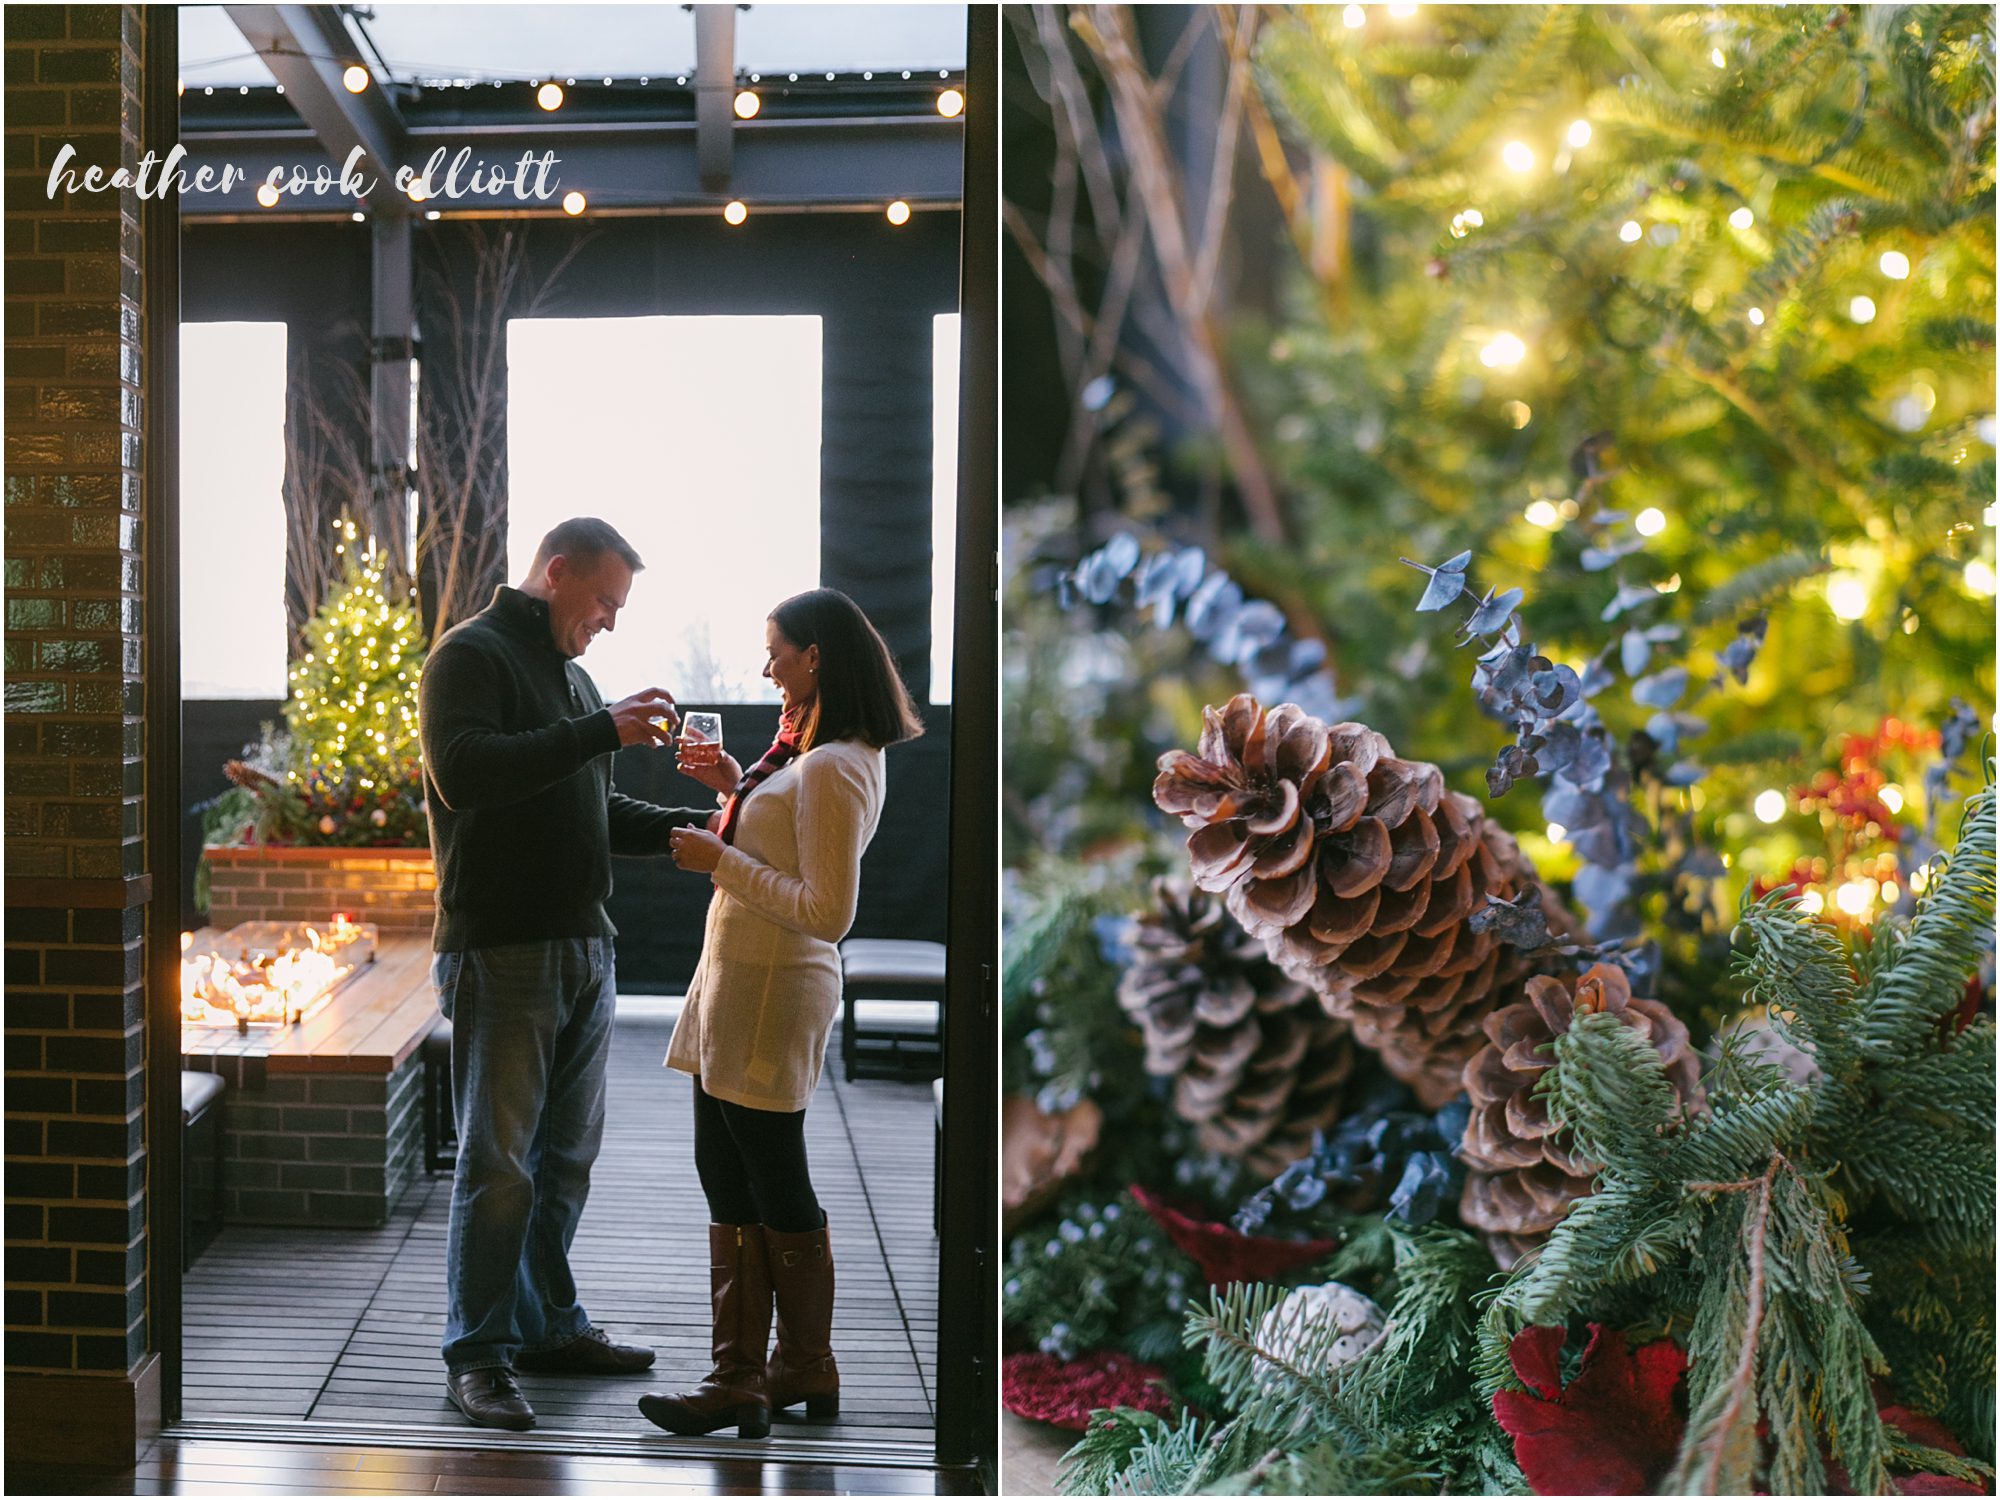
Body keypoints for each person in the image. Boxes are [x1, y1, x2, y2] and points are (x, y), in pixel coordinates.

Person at [419, 517, 713, 1432]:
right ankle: (478, 1356)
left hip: (586, 946)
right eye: (604, 602)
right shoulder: (468, 658)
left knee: (565, 1162)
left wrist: (697, 829)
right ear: (556, 573)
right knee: (498, 1164)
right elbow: (466, 775)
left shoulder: (575, 677)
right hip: (501, 949)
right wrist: (598, 729)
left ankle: (546, 1327)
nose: (611, 624)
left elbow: (592, 804)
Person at [637, 588, 924, 1441]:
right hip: (734, 983)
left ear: (817, 657)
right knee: (726, 1173)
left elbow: (827, 910)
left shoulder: (837, 763)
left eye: (775, 652)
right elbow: (788, 845)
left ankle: (779, 1368)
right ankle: (757, 1375)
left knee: (771, 1175)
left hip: (772, 987)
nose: (765, 668)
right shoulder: (806, 753)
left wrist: (718, 856)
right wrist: (733, 788)